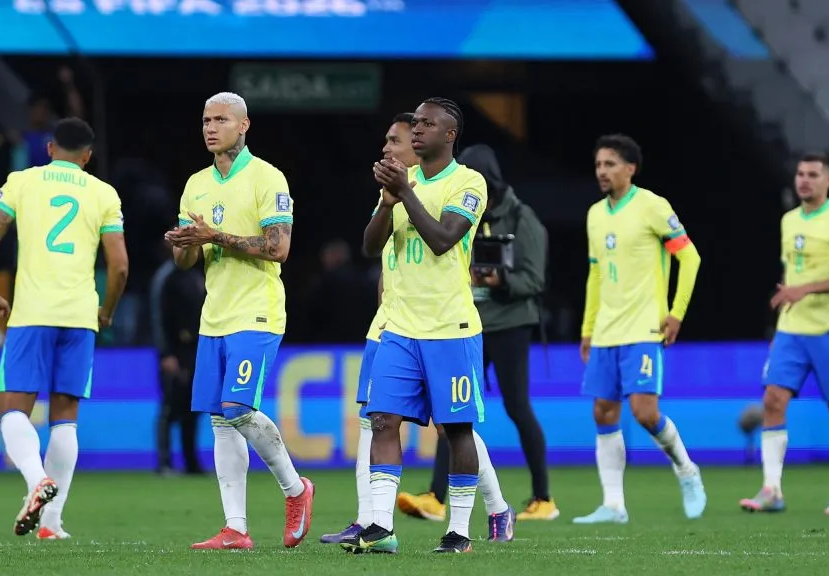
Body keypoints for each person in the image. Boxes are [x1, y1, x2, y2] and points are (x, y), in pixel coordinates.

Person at [322, 114, 514, 545]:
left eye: (401, 138)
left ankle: (474, 520)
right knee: (379, 419)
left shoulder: (466, 182)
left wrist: (404, 193)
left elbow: (443, 240)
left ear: (444, 137)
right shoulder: (397, 187)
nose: (389, 147)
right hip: (396, 326)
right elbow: (373, 249)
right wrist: (387, 203)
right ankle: (376, 524)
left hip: (448, 327)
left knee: (454, 428)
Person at [164, 92, 313, 551]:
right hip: (214, 316)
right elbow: (186, 261)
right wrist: (185, 243)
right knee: (221, 421)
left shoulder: (267, 177)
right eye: (206, 120)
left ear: (244, 125)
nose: (211, 128)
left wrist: (215, 235)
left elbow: (278, 248)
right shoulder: (196, 184)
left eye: (221, 119)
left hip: (257, 310)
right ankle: (235, 528)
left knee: (237, 408)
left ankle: (296, 489)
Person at [0, 117, 128, 539]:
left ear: (49, 148)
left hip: (32, 313)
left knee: (12, 411)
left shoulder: (21, 182)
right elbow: (119, 266)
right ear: (88, 156)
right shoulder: (104, 193)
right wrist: (107, 310)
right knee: (65, 419)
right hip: (80, 316)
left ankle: (35, 480)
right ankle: (52, 524)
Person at [398, 143, 555, 522]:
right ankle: (435, 497)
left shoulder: (520, 217)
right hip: (466, 321)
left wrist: (500, 280)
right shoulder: (455, 209)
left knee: (517, 407)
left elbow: (535, 279)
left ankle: (543, 498)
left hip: (509, 324)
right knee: (450, 409)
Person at [574, 134, 706, 524]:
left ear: (630, 169)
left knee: (645, 412)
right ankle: (614, 505)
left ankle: (687, 470)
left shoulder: (652, 206)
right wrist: (588, 328)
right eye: (598, 165)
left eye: (610, 164)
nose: (602, 171)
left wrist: (677, 313)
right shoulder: (595, 214)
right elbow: (595, 275)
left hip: (644, 326)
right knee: (603, 411)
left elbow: (690, 258)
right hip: (606, 329)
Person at [740, 152, 829, 515]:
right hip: (792, 330)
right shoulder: (789, 220)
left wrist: (804, 289)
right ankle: (771, 490)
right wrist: (784, 314)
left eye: (812, 174)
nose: (804, 180)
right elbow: (793, 275)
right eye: (800, 174)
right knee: (772, 400)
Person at [149, 251, 204, 476]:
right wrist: (166, 353)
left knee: (192, 407)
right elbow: (158, 317)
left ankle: (191, 462)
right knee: (170, 406)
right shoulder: (167, 276)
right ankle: (164, 462)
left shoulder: (197, 274)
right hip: (175, 351)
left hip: (194, 350)